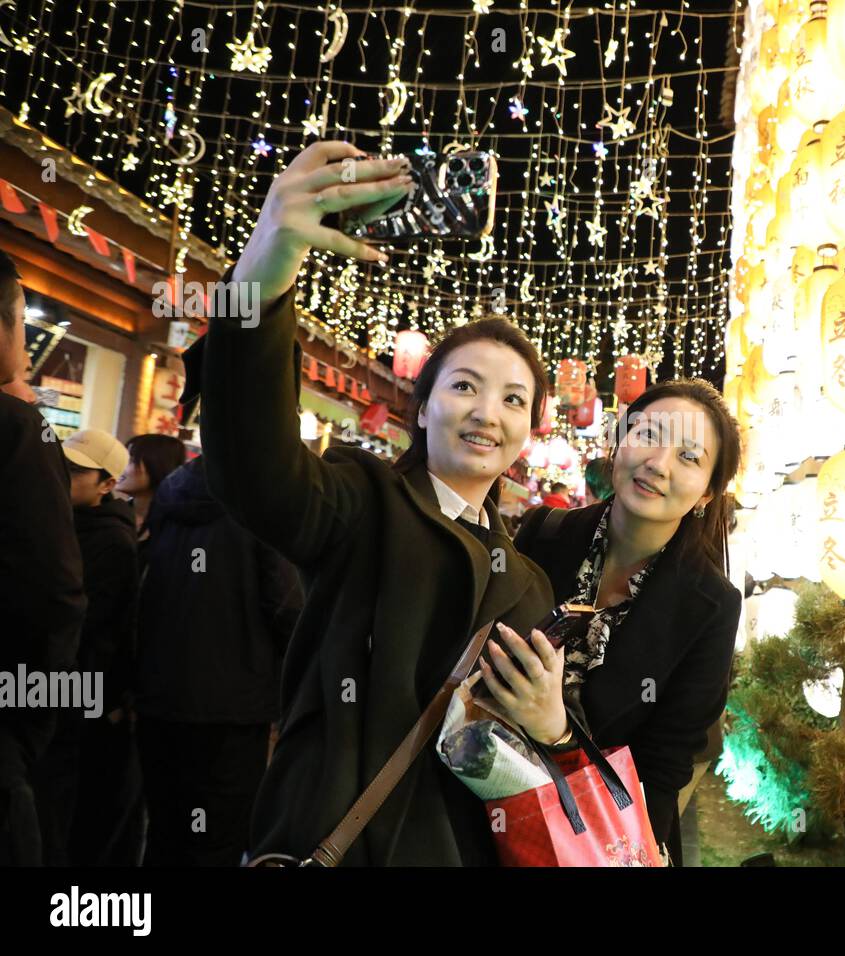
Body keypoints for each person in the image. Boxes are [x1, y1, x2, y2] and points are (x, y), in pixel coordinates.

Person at [197, 141, 554, 865]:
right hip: (335, 847)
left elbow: (529, 758)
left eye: (513, 398)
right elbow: (255, 472)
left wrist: (554, 728)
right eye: (463, 386)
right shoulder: (362, 503)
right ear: (421, 410)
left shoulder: (529, 584)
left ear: (528, 430)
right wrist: (269, 262)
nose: (488, 411)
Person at [508, 379, 743, 865]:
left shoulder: (711, 606)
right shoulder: (543, 533)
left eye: (690, 457)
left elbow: (661, 770)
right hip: (483, 802)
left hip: (590, 837)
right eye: (649, 435)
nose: (658, 464)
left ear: (708, 493)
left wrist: (560, 735)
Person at [133, 453, 302, 866]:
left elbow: (145, 589)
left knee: (165, 829)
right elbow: (285, 607)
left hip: (160, 696)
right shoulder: (260, 501)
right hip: (232, 708)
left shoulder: (172, 489)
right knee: (216, 837)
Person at [0, 250, 86, 865]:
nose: (26, 347)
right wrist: (30, 722)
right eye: (19, 321)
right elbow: (52, 592)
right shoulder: (19, 431)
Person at [31, 429, 139, 866]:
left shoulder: (111, 540)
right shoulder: (59, 520)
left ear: (107, 484)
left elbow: (92, 625)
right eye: (64, 465)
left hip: (73, 687)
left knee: (52, 796)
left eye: (78, 471)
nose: (65, 475)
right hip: (45, 678)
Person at [116, 433, 187, 548]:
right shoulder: (113, 515)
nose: (119, 466)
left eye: (131, 460)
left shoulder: (178, 526)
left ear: (156, 466)